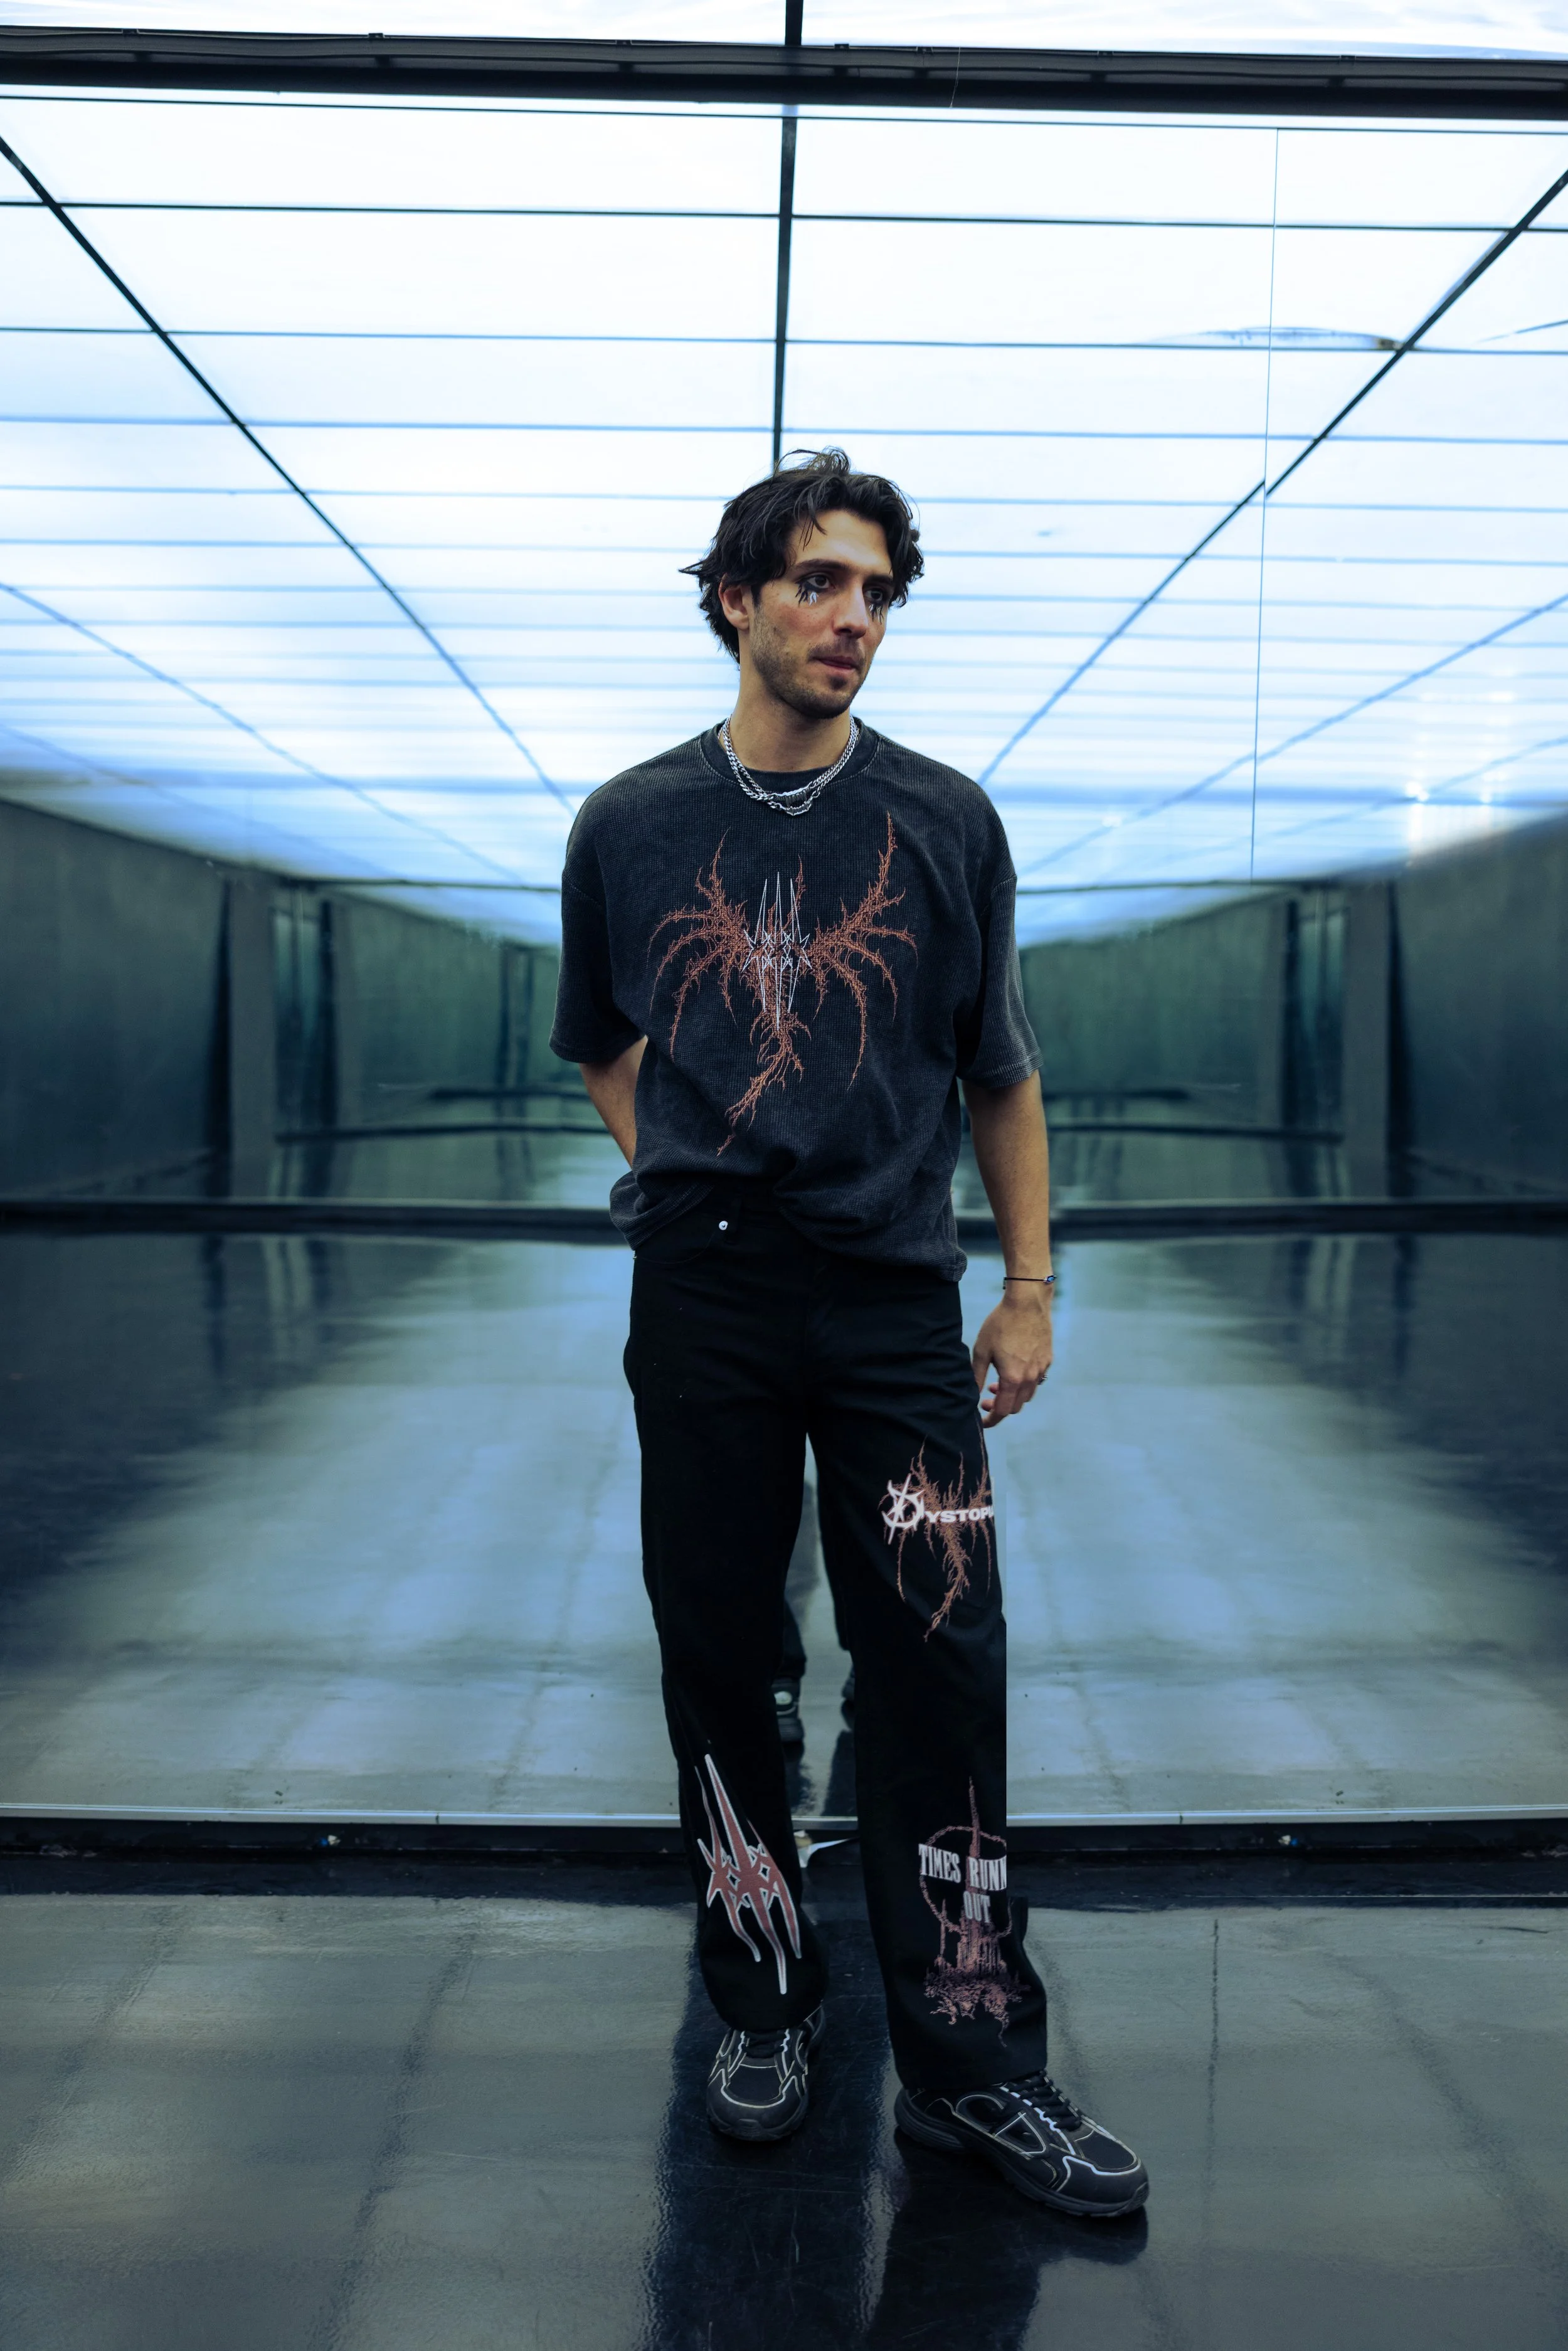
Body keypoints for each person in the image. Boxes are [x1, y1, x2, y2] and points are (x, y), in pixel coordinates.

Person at [550, 449, 1148, 2217]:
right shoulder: (631, 823)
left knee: (942, 1662)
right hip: (709, 1299)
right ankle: (764, 1998)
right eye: (817, 583)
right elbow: (598, 1036)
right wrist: (692, 1157)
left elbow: (1000, 1070)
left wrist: (1025, 1287)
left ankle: (972, 2063)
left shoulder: (945, 821)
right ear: (736, 597)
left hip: (898, 1302)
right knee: (722, 1654)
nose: (852, 620)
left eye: (876, 592)